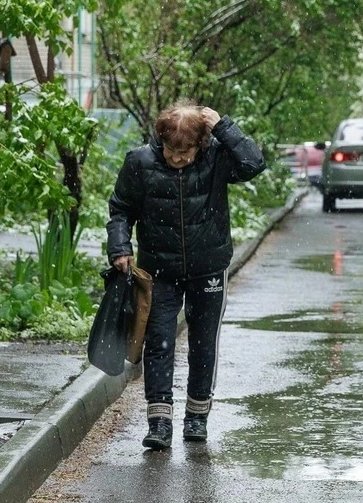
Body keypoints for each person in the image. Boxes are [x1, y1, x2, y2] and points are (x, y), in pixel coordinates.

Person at [106, 100, 266, 450]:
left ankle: (197, 417)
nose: (177, 159)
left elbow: (254, 163)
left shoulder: (216, 158)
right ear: (159, 140)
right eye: (170, 150)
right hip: (159, 270)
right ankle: (159, 421)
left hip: (208, 268)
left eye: (185, 152)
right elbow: (121, 209)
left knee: (202, 343)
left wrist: (223, 125)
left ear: (201, 144)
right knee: (159, 341)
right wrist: (120, 249)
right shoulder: (140, 162)